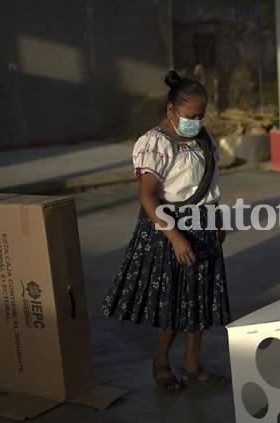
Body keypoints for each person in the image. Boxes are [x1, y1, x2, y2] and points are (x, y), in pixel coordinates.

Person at [102, 70, 230, 392]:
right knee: (174, 302)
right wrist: (175, 238)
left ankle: (192, 366)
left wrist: (217, 219)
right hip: (168, 228)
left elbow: (209, 184)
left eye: (202, 115)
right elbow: (147, 196)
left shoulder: (203, 137)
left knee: (198, 300)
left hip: (202, 225)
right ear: (171, 111)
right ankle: (161, 361)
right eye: (191, 116)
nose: (197, 121)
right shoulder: (154, 143)